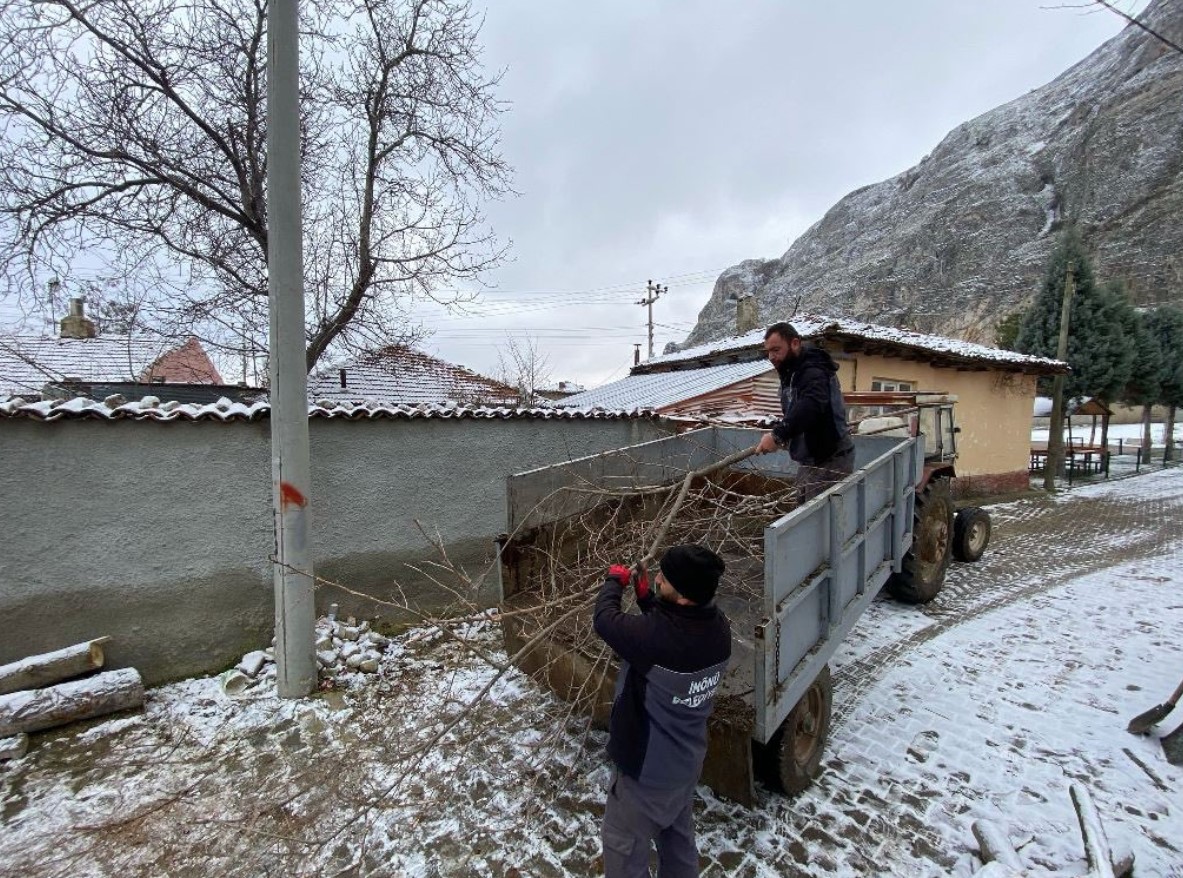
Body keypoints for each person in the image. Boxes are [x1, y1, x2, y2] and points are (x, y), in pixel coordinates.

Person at [592, 544, 731, 878]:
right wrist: (645, 598)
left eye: (663, 580)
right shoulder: (718, 629)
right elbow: (669, 628)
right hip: (684, 765)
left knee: (623, 852)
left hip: (645, 779)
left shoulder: (657, 640)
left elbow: (604, 620)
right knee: (677, 842)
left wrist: (615, 582)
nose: (656, 579)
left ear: (683, 595)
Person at [756, 321, 855, 501]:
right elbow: (797, 413)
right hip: (810, 460)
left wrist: (778, 435)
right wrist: (786, 435)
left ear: (794, 343)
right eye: (768, 352)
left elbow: (811, 406)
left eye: (776, 350)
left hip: (830, 460)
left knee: (816, 523)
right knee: (802, 512)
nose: (771, 356)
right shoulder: (792, 372)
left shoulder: (813, 370)